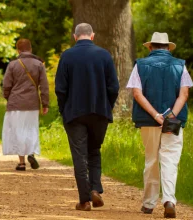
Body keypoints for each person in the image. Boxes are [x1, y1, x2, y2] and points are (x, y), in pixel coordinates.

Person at [127, 32, 193, 218]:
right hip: (173, 120)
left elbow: (137, 94)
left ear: (150, 47)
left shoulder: (140, 65)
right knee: (170, 159)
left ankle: (148, 204)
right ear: (168, 48)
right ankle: (169, 200)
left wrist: (156, 115)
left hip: (149, 120)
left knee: (151, 160)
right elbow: (184, 94)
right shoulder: (180, 65)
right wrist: (171, 114)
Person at [55, 23, 120, 211]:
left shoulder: (67, 56)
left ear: (75, 37)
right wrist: (107, 106)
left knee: (79, 155)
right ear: (93, 36)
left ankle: (84, 200)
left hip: (74, 113)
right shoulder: (104, 55)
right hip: (99, 112)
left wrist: (63, 110)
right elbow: (113, 87)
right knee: (94, 151)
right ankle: (95, 189)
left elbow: (60, 89)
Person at [1, 39, 49, 171]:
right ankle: (31, 153)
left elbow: (6, 85)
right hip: (32, 103)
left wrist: (8, 97)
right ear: (31, 49)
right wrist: (45, 103)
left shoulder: (13, 65)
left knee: (18, 131)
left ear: (18, 50)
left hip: (16, 103)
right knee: (31, 129)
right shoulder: (39, 64)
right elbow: (44, 86)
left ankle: (21, 163)